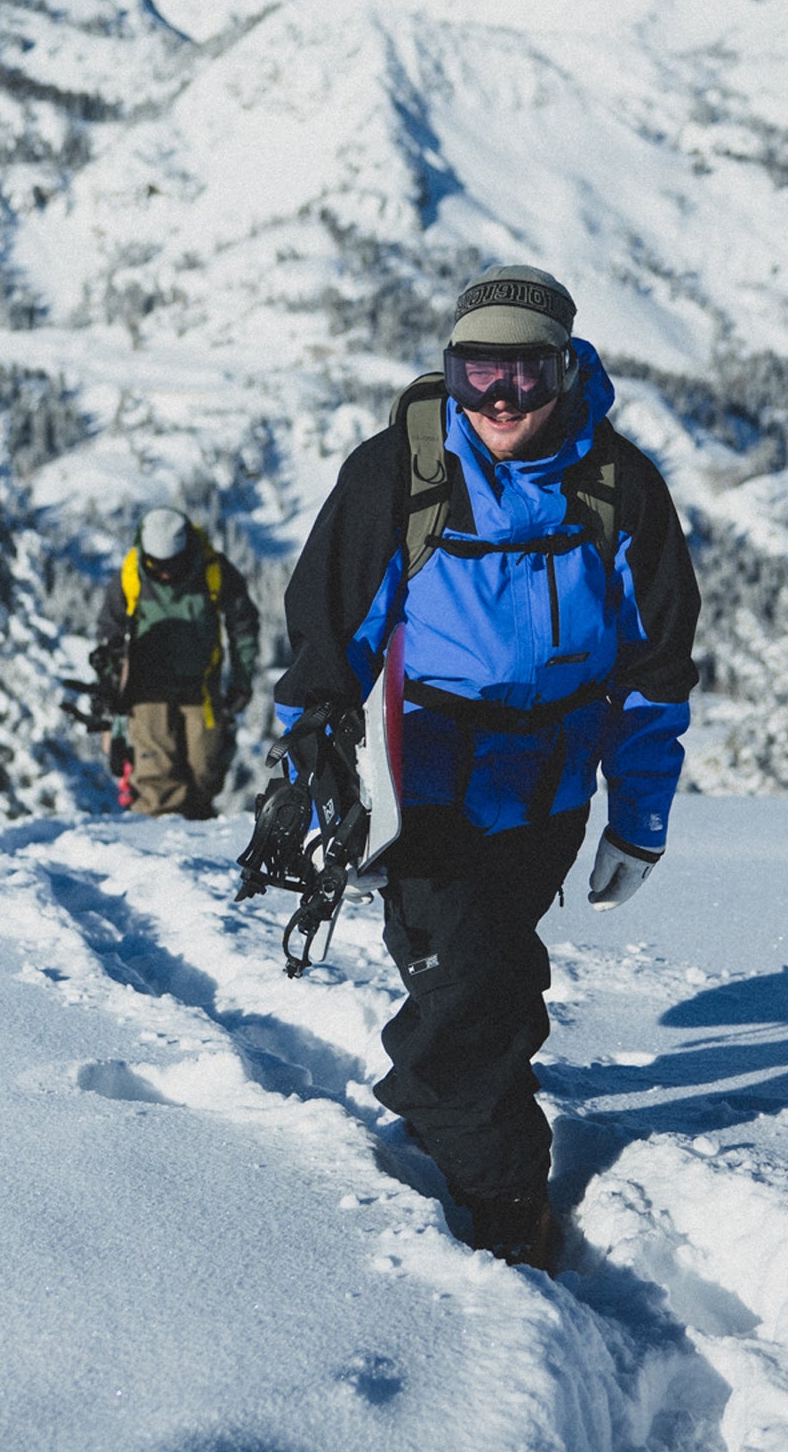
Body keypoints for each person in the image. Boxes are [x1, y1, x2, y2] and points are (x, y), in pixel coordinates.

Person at [272, 264, 700, 1273]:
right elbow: (327, 645)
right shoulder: (400, 476)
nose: (502, 399)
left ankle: (443, 1108)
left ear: (568, 369)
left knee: (491, 979)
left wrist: (638, 819)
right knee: (470, 987)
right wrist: (320, 785)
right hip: (422, 787)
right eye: (477, 374)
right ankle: (505, 1203)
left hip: (550, 793)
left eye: (527, 374)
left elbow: (655, 672)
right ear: (449, 371)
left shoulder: (619, 489)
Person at [91, 507, 262, 819]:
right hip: (147, 693)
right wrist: (109, 689)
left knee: (205, 772)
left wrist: (242, 680)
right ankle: (159, 837)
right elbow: (109, 635)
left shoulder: (213, 570)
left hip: (201, 689)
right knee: (157, 783)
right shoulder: (131, 575)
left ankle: (194, 831)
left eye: (172, 566)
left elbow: (243, 625)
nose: (166, 574)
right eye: (157, 567)